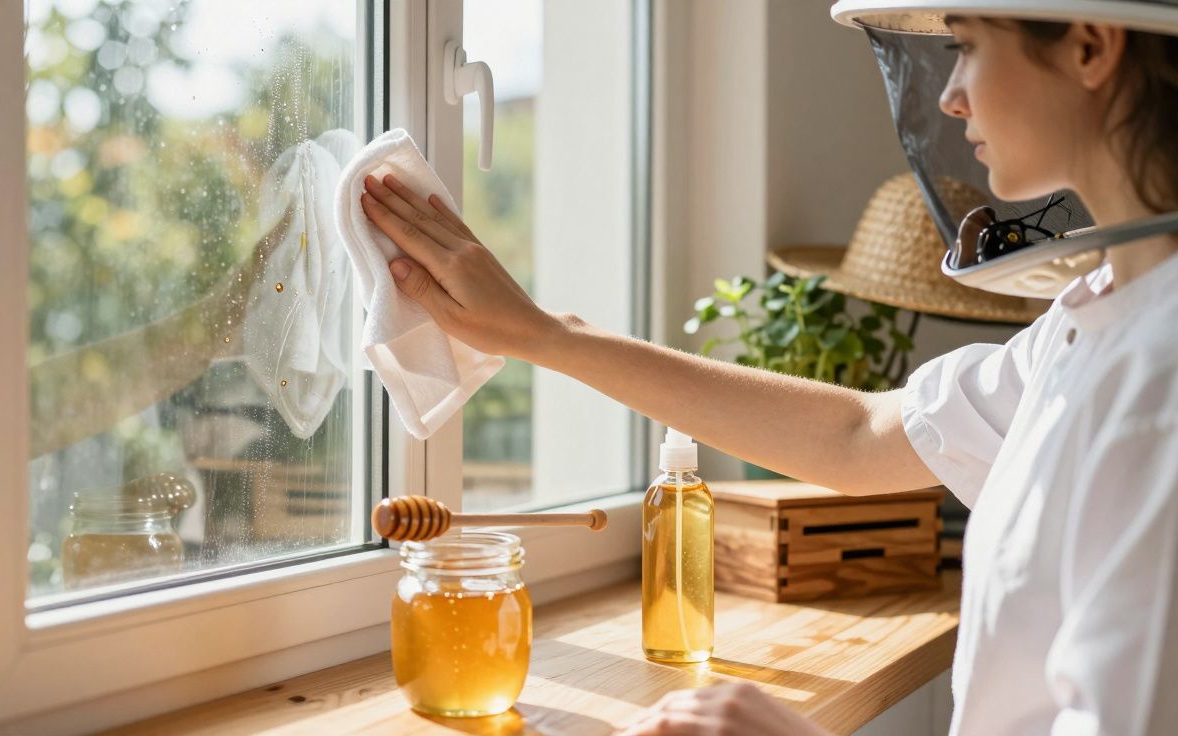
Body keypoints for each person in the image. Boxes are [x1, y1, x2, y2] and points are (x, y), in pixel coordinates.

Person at [358, 1, 1178, 733]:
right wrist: (546, 335)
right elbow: (860, 434)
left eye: (966, 45)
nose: (950, 95)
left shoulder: (1162, 374)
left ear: (1089, 47)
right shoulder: (1093, 319)